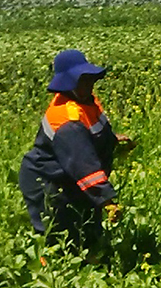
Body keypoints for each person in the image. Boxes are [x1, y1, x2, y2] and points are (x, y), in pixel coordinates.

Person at [18, 49, 125, 249]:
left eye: (89, 79)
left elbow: (92, 132)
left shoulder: (86, 102)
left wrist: (113, 141)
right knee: (58, 239)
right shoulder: (68, 120)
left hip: (69, 180)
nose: (88, 84)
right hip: (48, 184)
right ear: (68, 84)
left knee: (87, 234)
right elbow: (82, 163)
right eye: (82, 80)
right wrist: (106, 200)